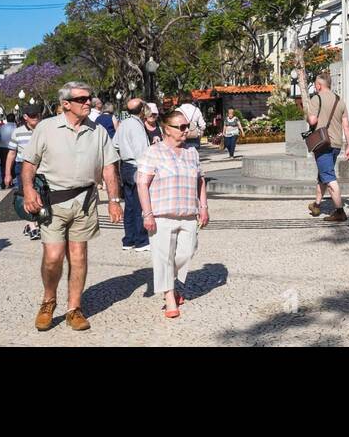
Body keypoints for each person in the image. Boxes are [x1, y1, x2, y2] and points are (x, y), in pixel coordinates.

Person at [19, 81, 122, 332]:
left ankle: (74, 308)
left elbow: (109, 168)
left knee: (79, 256)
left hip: (85, 203)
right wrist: (28, 190)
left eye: (89, 98)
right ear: (66, 104)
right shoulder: (46, 128)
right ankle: (48, 300)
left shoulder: (97, 132)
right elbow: (29, 164)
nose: (88, 102)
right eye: (82, 99)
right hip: (52, 202)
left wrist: (115, 201)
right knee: (53, 257)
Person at [136, 107, 209, 318]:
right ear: (166, 129)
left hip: (188, 213)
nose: (186, 131)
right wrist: (147, 214)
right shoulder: (153, 152)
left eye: (188, 126)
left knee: (186, 253)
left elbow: (200, 180)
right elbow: (142, 184)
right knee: (163, 257)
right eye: (182, 127)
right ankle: (169, 297)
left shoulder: (191, 152)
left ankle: (169, 281)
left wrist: (203, 207)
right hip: (161, 215)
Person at [305, 72, 349, 222]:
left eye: (315, 84)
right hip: (337, 144)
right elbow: (346, 125)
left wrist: (308, 115)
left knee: (329, 178)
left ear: (319, 85)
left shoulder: (316, 98)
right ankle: (317, 205)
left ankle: (339, 212)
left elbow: (312, 121)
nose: (315, 86)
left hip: (322, 143)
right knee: (323, 175)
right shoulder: (340, 101)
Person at [113, 99, 161, 252]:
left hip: (125, 165)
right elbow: (141, 151)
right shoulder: (136, 126)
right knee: (140, 203)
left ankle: (129, 239)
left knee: (130, 204)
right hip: (136, 166)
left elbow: (115, 144)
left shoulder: (124, 124)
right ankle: (141, 240)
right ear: (142, 110)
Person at [4, 101, 45, 239]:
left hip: (42, 167)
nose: (35, 118)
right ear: (26, 117)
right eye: (32, 116)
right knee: (26, 195)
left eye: (37, 115)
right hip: (23, 167)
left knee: (43, 195)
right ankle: (33, 226)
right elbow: (11, 153)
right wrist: (8, 174)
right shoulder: (18, 132)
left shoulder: (45, 130)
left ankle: (34, 223)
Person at [0, 117, 17, 187]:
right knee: (13, 164)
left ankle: (4, 180)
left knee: (3, 165)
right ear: (14, 119)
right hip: (15, 148)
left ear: (7, 119)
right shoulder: (17, 127)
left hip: (3, 148)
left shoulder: (1, 128)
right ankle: (11, 181)